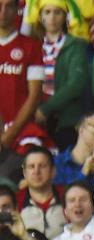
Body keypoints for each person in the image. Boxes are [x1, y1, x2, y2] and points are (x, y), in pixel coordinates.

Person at [0, 0, 44, 173]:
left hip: (21, 134)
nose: (3, 12)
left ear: (18, 9)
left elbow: (34, 96)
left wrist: (8, 136)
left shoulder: (31, 46)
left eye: (8, 6)